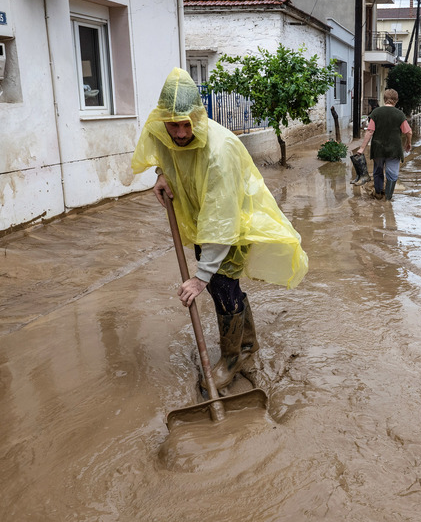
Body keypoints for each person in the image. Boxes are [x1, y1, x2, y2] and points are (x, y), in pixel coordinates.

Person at [131, 67, 308, 391]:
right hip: (206, 224)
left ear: (198, 117)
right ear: (163, 121)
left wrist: (200, 277)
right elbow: (168, 154)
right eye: (174, 125)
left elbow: (221, 218)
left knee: (221, 291)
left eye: (187, 125)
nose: (181, 132)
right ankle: (249, 344)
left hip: (232, 225)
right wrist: (162, 174)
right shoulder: (166, 133)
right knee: (224, 288)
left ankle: (231, 359)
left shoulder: (219, 151)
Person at [354, 88, 412, 200]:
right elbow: (408, 132)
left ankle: (378, 193)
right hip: (394, 150)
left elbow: (370, 131)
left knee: (378, 171)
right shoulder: (400, 114)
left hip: (378, 149)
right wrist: (408, 143)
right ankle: (388, 198)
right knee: (392, 174)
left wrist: (362, 148)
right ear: (396, 100)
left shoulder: (376, 112)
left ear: (384, 99)